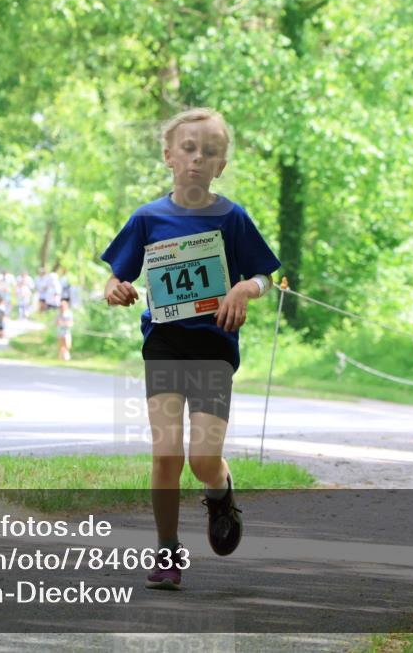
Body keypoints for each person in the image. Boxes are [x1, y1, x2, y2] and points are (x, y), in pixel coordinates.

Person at [102, 107, 280, 591]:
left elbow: (267, 274)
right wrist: (114, 287)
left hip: (213, 344)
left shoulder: (232, 217)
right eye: (188, 149)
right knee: (166, 453)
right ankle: (166, 551)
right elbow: (118, 275)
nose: (198, 159)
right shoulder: (147, 218)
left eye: (210, 152)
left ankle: (219, 491)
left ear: (221, 164)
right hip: (164, 343)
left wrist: (247, 290)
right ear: (168, 156)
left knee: (202, 458)